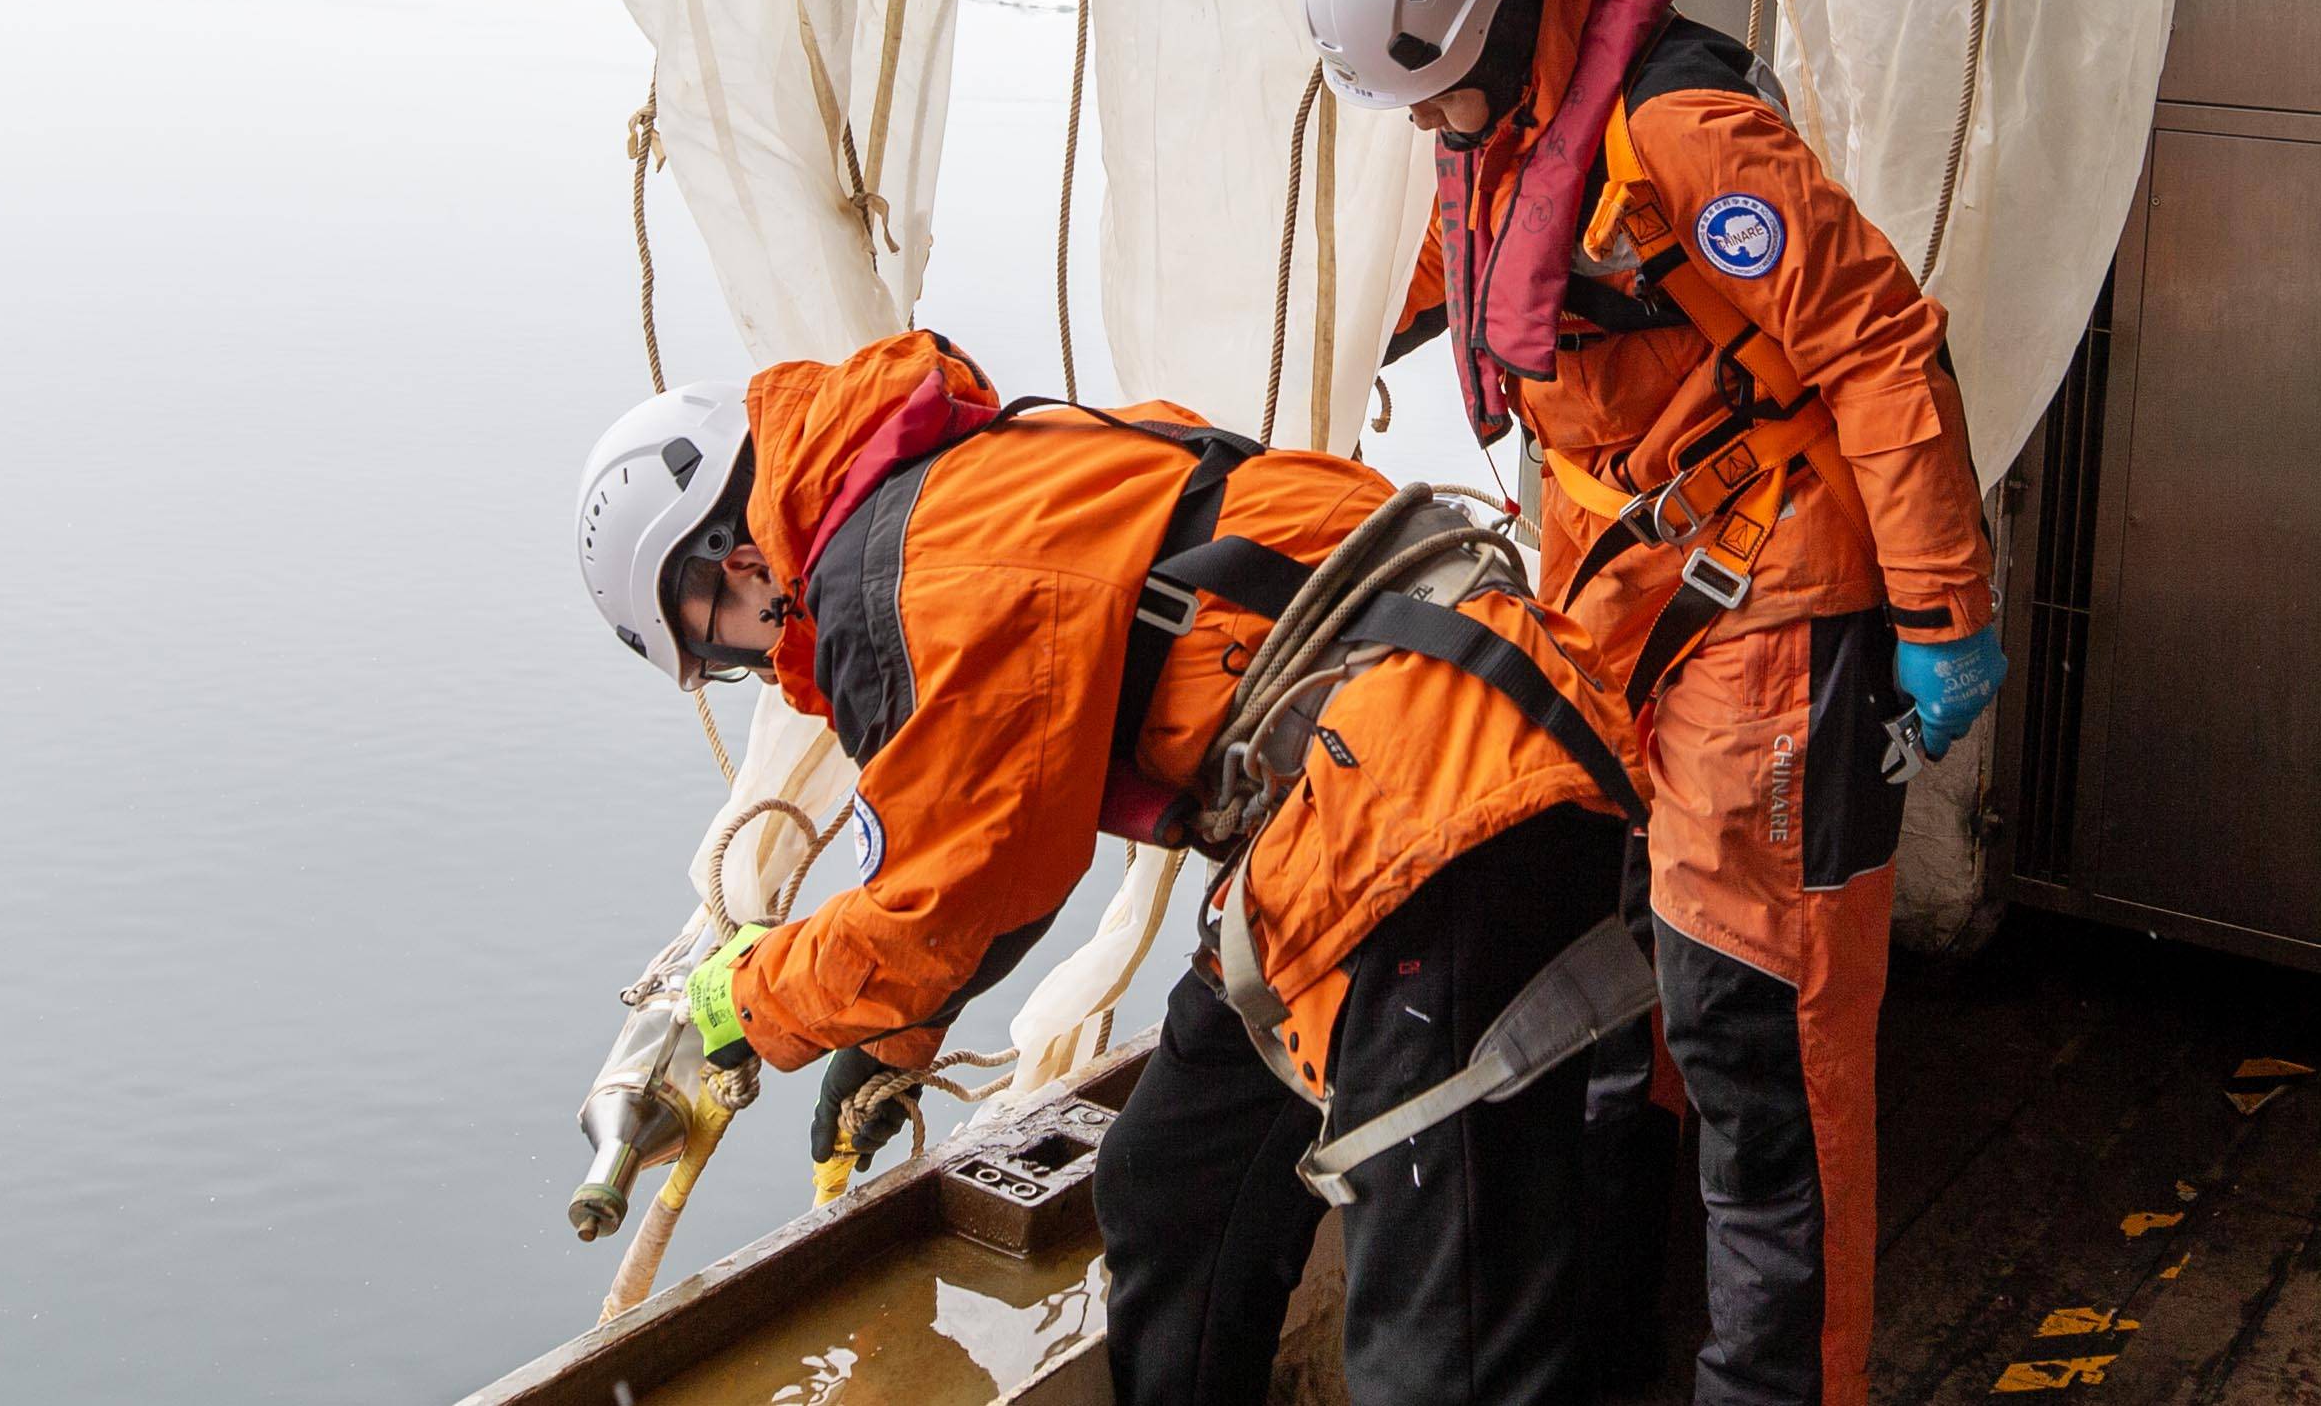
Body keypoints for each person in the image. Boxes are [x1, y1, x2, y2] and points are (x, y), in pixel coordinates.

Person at [574, 328, 1645, 1406]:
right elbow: (997, 838)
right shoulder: (965, 487)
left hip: (1437, 802)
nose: (736, 665)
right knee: (1171, 1181)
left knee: (1441, 1346)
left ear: (737, 557)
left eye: (709, 641)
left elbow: (935, 911)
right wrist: (890, 1039)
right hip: (1378, 788)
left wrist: (740, 994)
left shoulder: (905, 575)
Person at [1297, 0, 2006, 1406]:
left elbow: (1880, 347)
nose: (1420, 125)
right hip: (1628, 606)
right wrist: (1316, 338)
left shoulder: (1682, 129)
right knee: (1640, 997)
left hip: (1776, 614)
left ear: (1479, 24)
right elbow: (1452, 272)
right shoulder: (1508, 114)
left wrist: (1940, 610)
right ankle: (1624, 1328)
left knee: (1764, 1042)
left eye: (1425, 93)